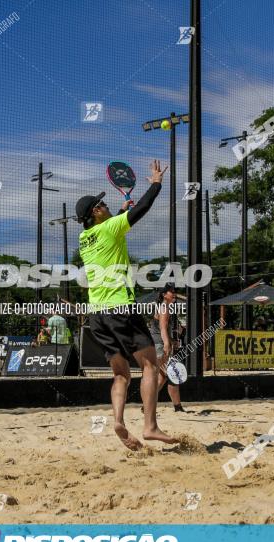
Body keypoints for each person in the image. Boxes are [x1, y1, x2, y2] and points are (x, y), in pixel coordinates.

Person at [75, 159, 176, 449]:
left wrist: (120, 212)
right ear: (96, 211)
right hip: (120, 309)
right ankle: (150, 426)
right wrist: (155, 183)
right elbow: (142, 209)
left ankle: (118, 420)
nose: (106, 207)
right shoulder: (110, 229)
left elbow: (111, 228)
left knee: (120, 374)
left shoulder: (85, 237)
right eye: (102, 205)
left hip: (97, 315)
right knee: (150, 368)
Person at [149, 283, 184, 412]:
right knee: (173, 374)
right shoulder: (164, 308)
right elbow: (163, 329)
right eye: (172, 292)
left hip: (158, 343)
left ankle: (147, 405)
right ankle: (178, 407)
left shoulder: (164, 306)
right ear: (165, 295)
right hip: (159, 345)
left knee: (162, 377)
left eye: (174, 291)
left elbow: (161, 330)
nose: (174, 293)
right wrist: (167, 344)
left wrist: (171, 340)